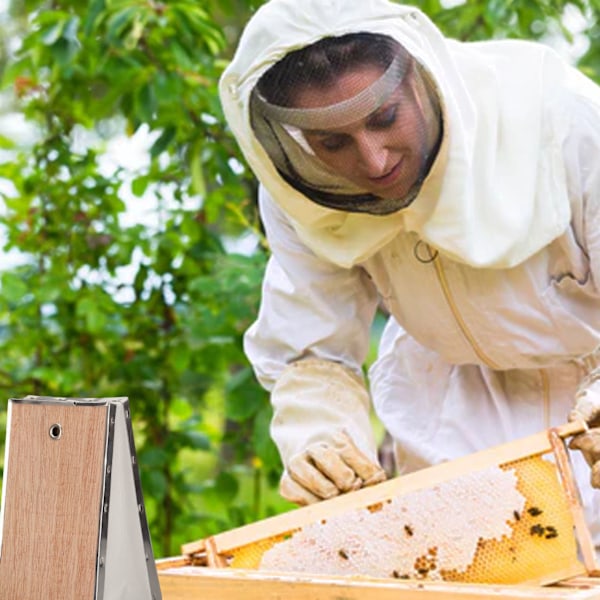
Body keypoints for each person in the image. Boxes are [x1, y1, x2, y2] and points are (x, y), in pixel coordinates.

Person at [219, 0, 600, 549]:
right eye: (332, 143)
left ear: (421, 79)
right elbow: (314, 350)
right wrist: (322, 438)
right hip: (447, 397)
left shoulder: (564, 118)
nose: (373, 162)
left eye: (385, 118)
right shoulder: (300, 191)